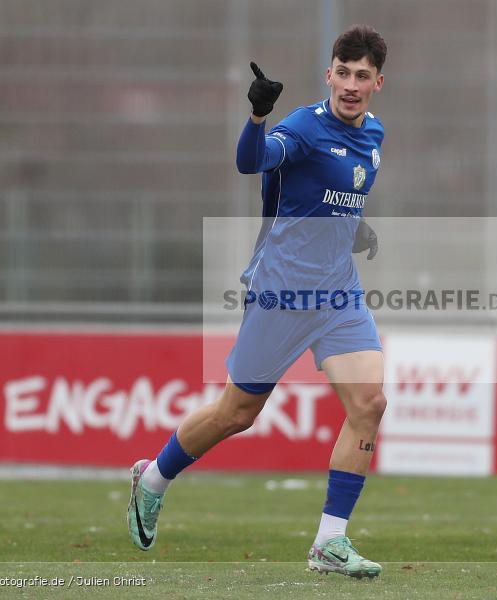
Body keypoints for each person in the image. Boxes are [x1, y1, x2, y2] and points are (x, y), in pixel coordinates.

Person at [126, 24, 388, 579]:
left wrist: (353, 227)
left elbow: (333, 195)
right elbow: (253, 162)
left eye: (361, 76)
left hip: (339, 293)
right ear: (329, 74)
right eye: (342, 72)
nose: (350, 84)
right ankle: (152, 479)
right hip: (282, 290)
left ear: (377, 84)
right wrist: (256, 116)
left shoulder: (375, 134)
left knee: (369, 405)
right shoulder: (302, 127)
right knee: (236, 414)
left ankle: (329, 543)